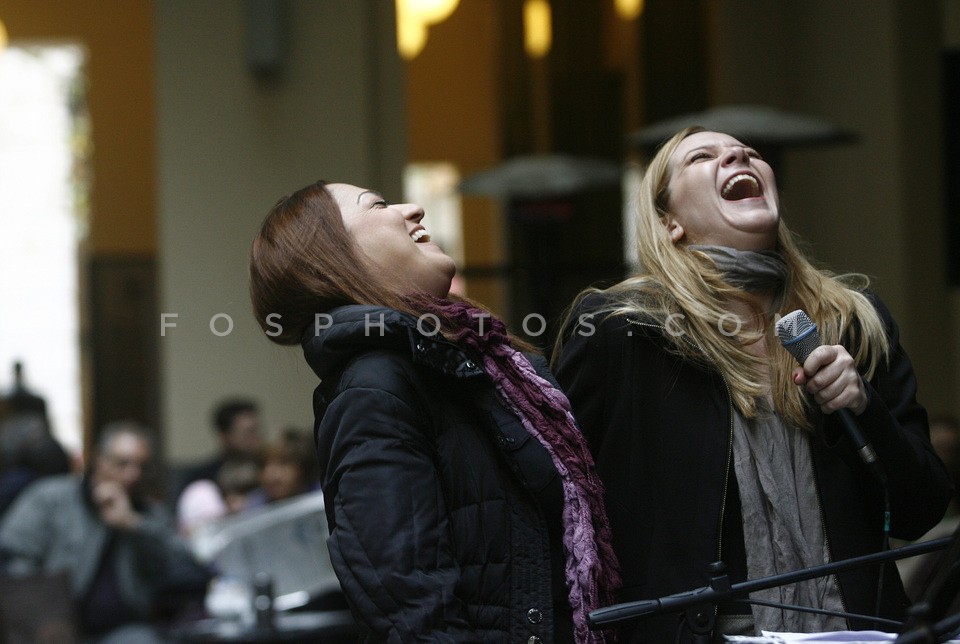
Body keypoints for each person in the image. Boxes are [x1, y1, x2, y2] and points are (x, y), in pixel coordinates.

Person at [552, 127, 953, 642]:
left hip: (858, 631)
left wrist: (862, 406)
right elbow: (566, 506)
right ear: (669, 221)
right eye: (703, 156)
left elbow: (920, 510)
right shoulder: (623, 329)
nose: (739, 155)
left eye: (750, 153)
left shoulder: (853, 322)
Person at [248, 180, 620, 642]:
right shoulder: (374, 386)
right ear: (333, 257)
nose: (414, 209)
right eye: (378, 204)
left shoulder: (474, 366)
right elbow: (408, 606)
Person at [0, 421, 205, 643]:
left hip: (124, 629)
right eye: (122, 464)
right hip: (50, 626)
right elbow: (12, 555)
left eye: (141, 466)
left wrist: (134, 524)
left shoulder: (149, 514)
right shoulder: (51, 498)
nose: (132, 474)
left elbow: (183, 566)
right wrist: (38, 612)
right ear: (100, 459)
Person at [174, 397, 262, 502]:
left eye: (257, 431)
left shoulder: (265, 470)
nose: (256, 438)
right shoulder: (203, 479)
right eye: (249, 432)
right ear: (225, 436)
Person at [245, 426, 320, 507]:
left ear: (303, 468)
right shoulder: (253, 506)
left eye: (283, 463)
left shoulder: (322, 496)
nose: (269, 475)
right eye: (263, 465)